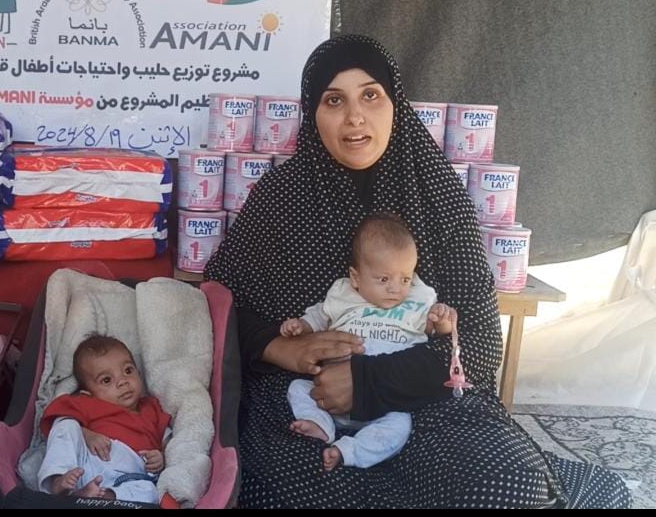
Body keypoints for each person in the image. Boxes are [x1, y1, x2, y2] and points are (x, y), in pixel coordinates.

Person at [204, 35, 630, 508]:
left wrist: (369, 382)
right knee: (277, 490)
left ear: (395, 104)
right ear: (313, 113)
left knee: (506, 485)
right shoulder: (280, 199)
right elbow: (220, 308)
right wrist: (282, 347)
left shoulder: (439, 197)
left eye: (371, 95)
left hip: (423, 399)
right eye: (333, 100)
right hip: (308, 400)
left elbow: (482, 347)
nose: (354, 118)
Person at [282, 213, 457, 472]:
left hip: (385, 402)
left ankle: (350, 451)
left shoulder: (418, 301)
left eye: (405, 279)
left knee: (400, 425)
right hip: (329, 393)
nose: (395, 289)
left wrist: (442, 321)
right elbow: (320, 315)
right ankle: (320, 424)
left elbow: (436, 331)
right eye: (384, 279)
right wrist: (300, 326)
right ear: (356, 277)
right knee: (297, 388)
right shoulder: (343, 295)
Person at [37, 335, 170, 503]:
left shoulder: (152, 408)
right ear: (88, 393)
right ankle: (57, 480)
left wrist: (160, 458)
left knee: (150, 491)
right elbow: (52, 418)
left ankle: (106, 496)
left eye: (128, 371)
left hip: (130, 476)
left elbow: (169, 444)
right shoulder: (87, 403)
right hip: (85, 468)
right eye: (107, 380)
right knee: (66, 424)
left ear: (139, 373)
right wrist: (86, 434)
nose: (122, 382)